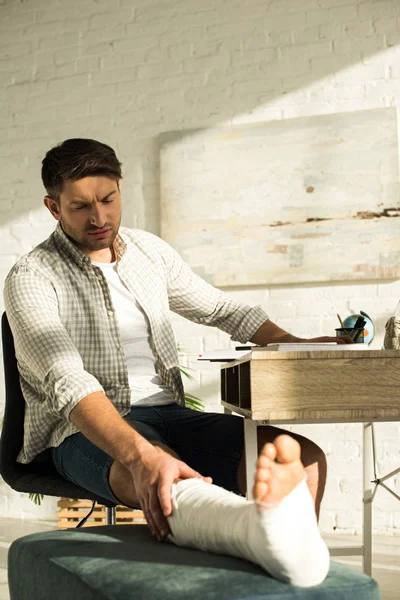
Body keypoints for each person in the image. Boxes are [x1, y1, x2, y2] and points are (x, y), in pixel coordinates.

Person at [4, 139, 350, 586]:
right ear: (54, 208)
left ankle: (281, 574)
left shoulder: (150, 253)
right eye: (80, 207)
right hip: (85, 429)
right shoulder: (31, 277)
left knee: (305, 458)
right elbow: (66, 381)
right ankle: (270, 547)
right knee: (162, 475)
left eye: (108, 200)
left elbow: (223, 310)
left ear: (121, 189)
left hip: (172, 414)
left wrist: (292, 343)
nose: (99, 218)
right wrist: (141, 453)